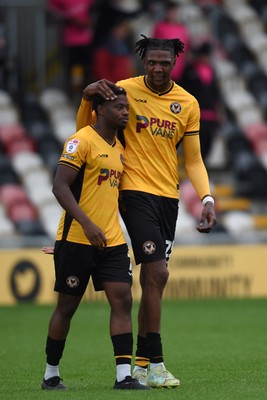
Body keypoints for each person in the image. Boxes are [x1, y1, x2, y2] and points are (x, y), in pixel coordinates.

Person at [75, 35, 217, 389]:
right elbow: (84, 130)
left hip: (167, 198)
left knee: (155, 278)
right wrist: (85, 97)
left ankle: (141, 366)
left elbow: (194, 159)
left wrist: (207, 199)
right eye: (151, 62)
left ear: (174, 64)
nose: (157, 68)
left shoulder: (187, 103)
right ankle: (156, 362)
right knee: (158, 273)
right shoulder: (123, 90)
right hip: (133, 190)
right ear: (144, 62)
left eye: (163, 63)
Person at [41, 85, 150, 391]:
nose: (125, 112)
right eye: (119, 107)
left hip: (112, 241)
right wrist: (87, 225)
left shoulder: (119, 148)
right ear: (100, 110)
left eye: (127, 108)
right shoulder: (81, 141)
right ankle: (51, 374)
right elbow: (60, 187)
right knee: (67, 308)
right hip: (77, 238)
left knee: (123, 299)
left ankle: (123, 377)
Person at [179, 40, 224, 162]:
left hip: (210, 115)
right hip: (195, 114)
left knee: (207, 145)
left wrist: (219, 111)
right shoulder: (189, 70)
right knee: (193, 146)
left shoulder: (212, 72)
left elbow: (216, 93)